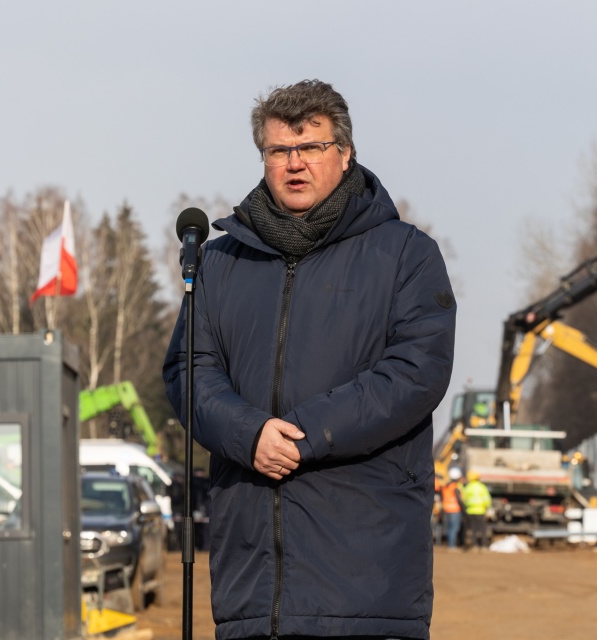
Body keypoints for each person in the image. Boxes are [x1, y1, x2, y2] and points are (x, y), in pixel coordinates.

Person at [162, 80, 456, 640]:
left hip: (368, 589)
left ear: (344, 155)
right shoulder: (220, 263)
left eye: (312, 147)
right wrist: (249, 435)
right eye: (279, 150)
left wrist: (303, 433)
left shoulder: (405, 255)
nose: (295, 164)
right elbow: (188, 371)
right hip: (250, 591)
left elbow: (415, 373)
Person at [460, 470, 492, 551]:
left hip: (470, 511)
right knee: (482, 529)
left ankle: (474, 545)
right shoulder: (482, 487)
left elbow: (463, 499)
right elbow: (487, 499)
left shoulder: (467, 487)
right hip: (480, 510)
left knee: (473, 529)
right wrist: (487, 508)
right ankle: (484, 545)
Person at [440, 467, 465, 551]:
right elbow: (459, 500)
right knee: (455, 528)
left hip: (447, 509)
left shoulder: (445, 486)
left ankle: (450, 544)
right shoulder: (455, 487)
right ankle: (452, 545)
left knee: (450, 528)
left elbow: (442, 498)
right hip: (455, 510)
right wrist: (464, 509)